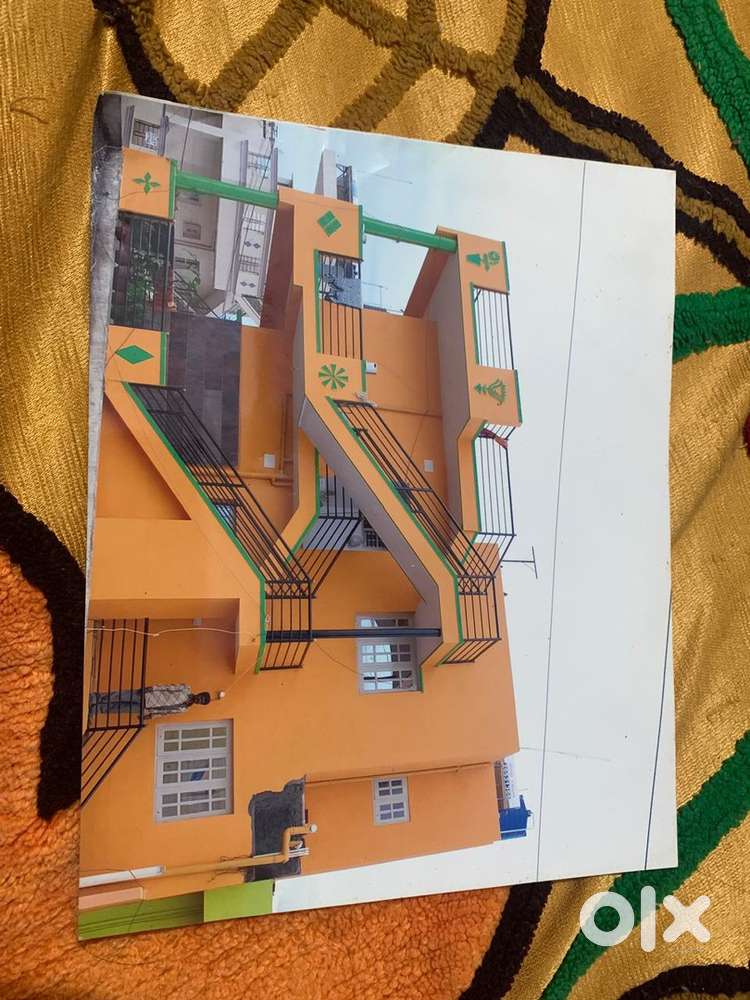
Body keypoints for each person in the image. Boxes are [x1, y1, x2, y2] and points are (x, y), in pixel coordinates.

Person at [88, 684, 212, 722]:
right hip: (147, 696)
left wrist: (150, 716)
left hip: (147, 709)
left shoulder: (184, 708)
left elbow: (165, 713)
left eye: (201, 702)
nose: (199, 700)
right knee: (119, 696)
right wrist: (151, 688)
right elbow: (167, 687)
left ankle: (96, 709)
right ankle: (94, 698)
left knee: (119, 708)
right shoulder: (185, 689)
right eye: (201, 698)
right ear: (200, 693)